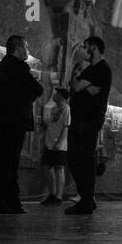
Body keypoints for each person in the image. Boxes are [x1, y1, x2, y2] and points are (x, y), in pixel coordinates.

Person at [0, 35, 43, 215]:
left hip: (3, 120)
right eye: (26, 47)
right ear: (18, 48)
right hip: (16, 120)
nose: (29, 51)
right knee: (10, 162)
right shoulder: (19, 67)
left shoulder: (1, 67)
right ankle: (5, 201)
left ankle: (2, 201)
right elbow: (37, 89)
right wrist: (27, 97)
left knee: (4, 161)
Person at [66, 35, 111, 215]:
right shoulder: (89, 70)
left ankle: (86, 201)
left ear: (94, 48)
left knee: (85, 159)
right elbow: (77, 86)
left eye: (85, 47)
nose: (83, 50)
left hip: (90, 119)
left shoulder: (102, 69)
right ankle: (86, 197)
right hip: (79, 119)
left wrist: (79, 83)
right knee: (74, 158)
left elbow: (76, 87)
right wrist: (80, 84)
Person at [40, 88, 70, 206]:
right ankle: (51, 194)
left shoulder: (66, 109)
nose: (54, 95)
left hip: (59, 145)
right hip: (49, 143)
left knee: (59, 169)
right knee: (47, 167)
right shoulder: (53, 109)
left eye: (57, 93)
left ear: (62, 96)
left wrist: (59, 142)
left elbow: (66, 127)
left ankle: (58, 196)